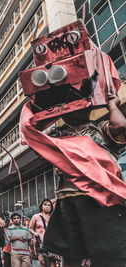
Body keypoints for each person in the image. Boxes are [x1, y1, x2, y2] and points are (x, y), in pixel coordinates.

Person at [21, 93, 126, 267]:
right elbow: (35, 142)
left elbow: (121, 125)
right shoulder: (59, 138)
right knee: (70, 256)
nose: (67, 111)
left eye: (73, 105)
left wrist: (112, 105)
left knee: (110, 256)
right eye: (63, 107)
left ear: (88, 108)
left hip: (99, 200)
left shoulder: (101, 129)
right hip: (66, 201)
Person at [29, 199, 54, 267]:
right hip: (40, 243)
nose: (47, 206)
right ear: (42, 206)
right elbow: (30, 228)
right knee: (42, 262)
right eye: (45, 204)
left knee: (52, 263)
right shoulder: (36, 216)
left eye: (49, 205)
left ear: (51, 207)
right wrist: (35, 233)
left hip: (52, 243)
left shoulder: (53, 217)